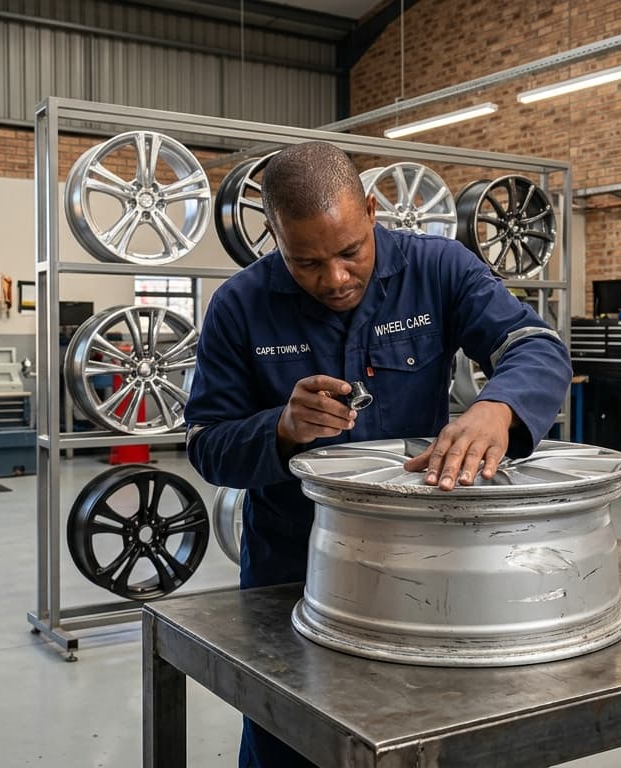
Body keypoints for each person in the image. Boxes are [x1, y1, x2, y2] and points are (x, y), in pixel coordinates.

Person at [184, 141, 572, 767]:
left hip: (421, 564)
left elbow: (536, 344)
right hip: (292, 571)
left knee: (417, 728)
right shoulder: (240, 305)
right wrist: (280, 429)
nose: (334, 279)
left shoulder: (440, 270)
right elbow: (206, 446)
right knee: (288, 733)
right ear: (274, 236)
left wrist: (496, 407)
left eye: (348, 252)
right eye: (305, 262)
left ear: (371, 209)